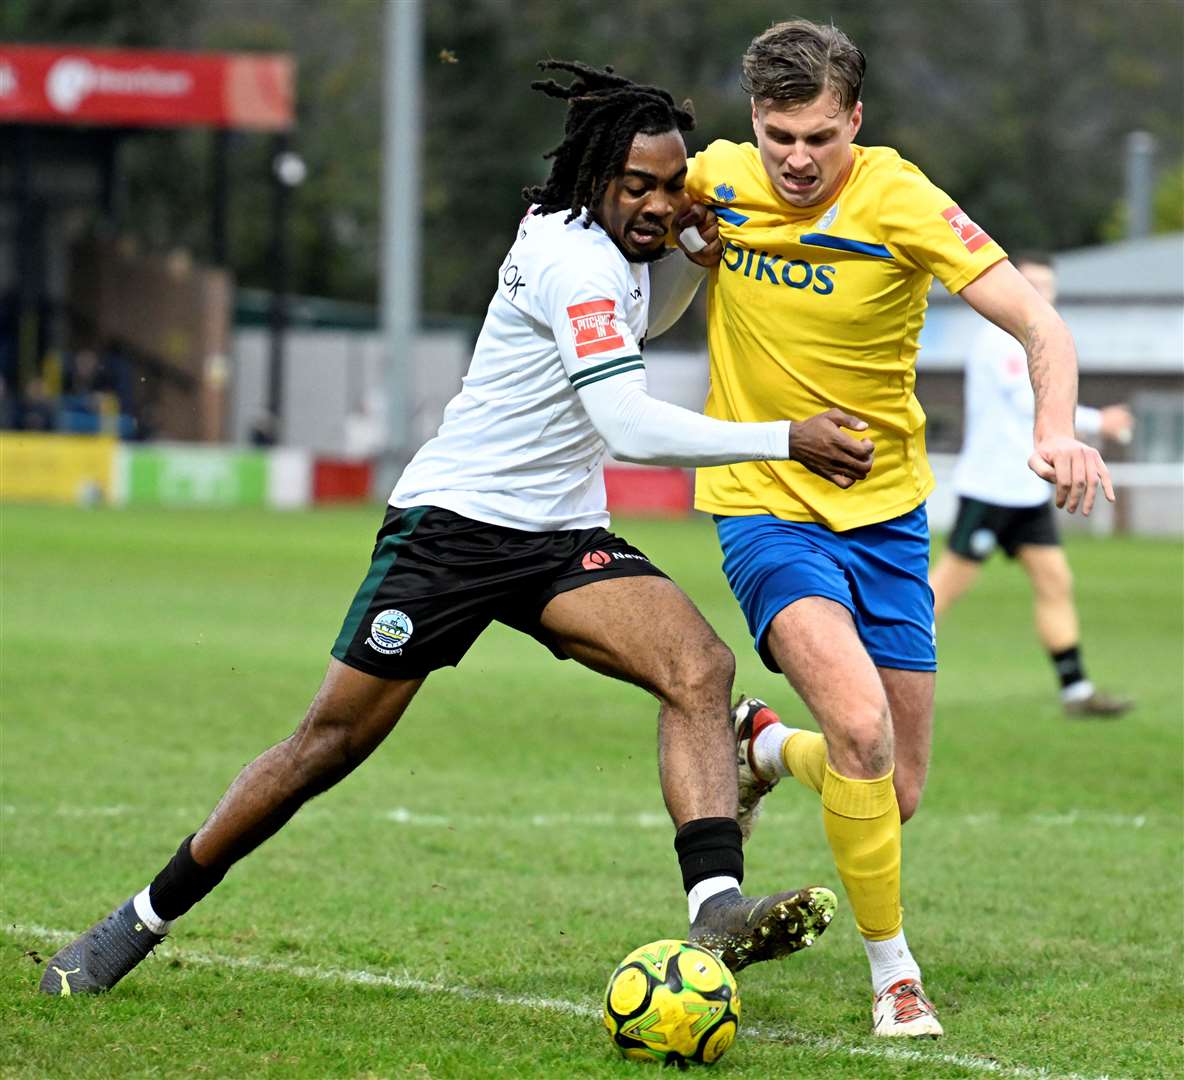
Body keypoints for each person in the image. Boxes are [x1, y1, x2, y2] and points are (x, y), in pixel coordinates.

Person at [38, 60, 868, 998]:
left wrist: (686, 256)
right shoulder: (571, 259)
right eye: (639, 185)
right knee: (325, 750)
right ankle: (135, 921)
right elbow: (628, 425)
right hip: (454, 531)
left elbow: (646, 319)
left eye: (674, 183)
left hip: (556, 538)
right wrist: (785, 439)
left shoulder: (615, 250)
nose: (660, 200)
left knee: (699, 668)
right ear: (594, 175)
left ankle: (716, 906)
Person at [675, 20, 1115, 1037]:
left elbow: (1039, 325)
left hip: (887, 517)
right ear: (753, 120)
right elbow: (612, 220)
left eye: (818, 137)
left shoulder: (901, 198)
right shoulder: (711, 180)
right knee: (862, 730)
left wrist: (1054, 433)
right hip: (763, 504)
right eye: (777, 133)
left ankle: (762, 750)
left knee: (894, 787)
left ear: (855, 121)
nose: (794, 158)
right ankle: (894, 977)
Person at [930, 252, 1134, 716]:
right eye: (1032, 283)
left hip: (1026, 492)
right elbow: (1030, 402)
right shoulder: (998, 341)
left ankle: (1076, 690)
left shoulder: (1039, 340)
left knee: (1055, 581)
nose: (1041, 294)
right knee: (943, 589)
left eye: (1048, 285)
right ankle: (882, 672)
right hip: (990, 489)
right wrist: (1101, 421)